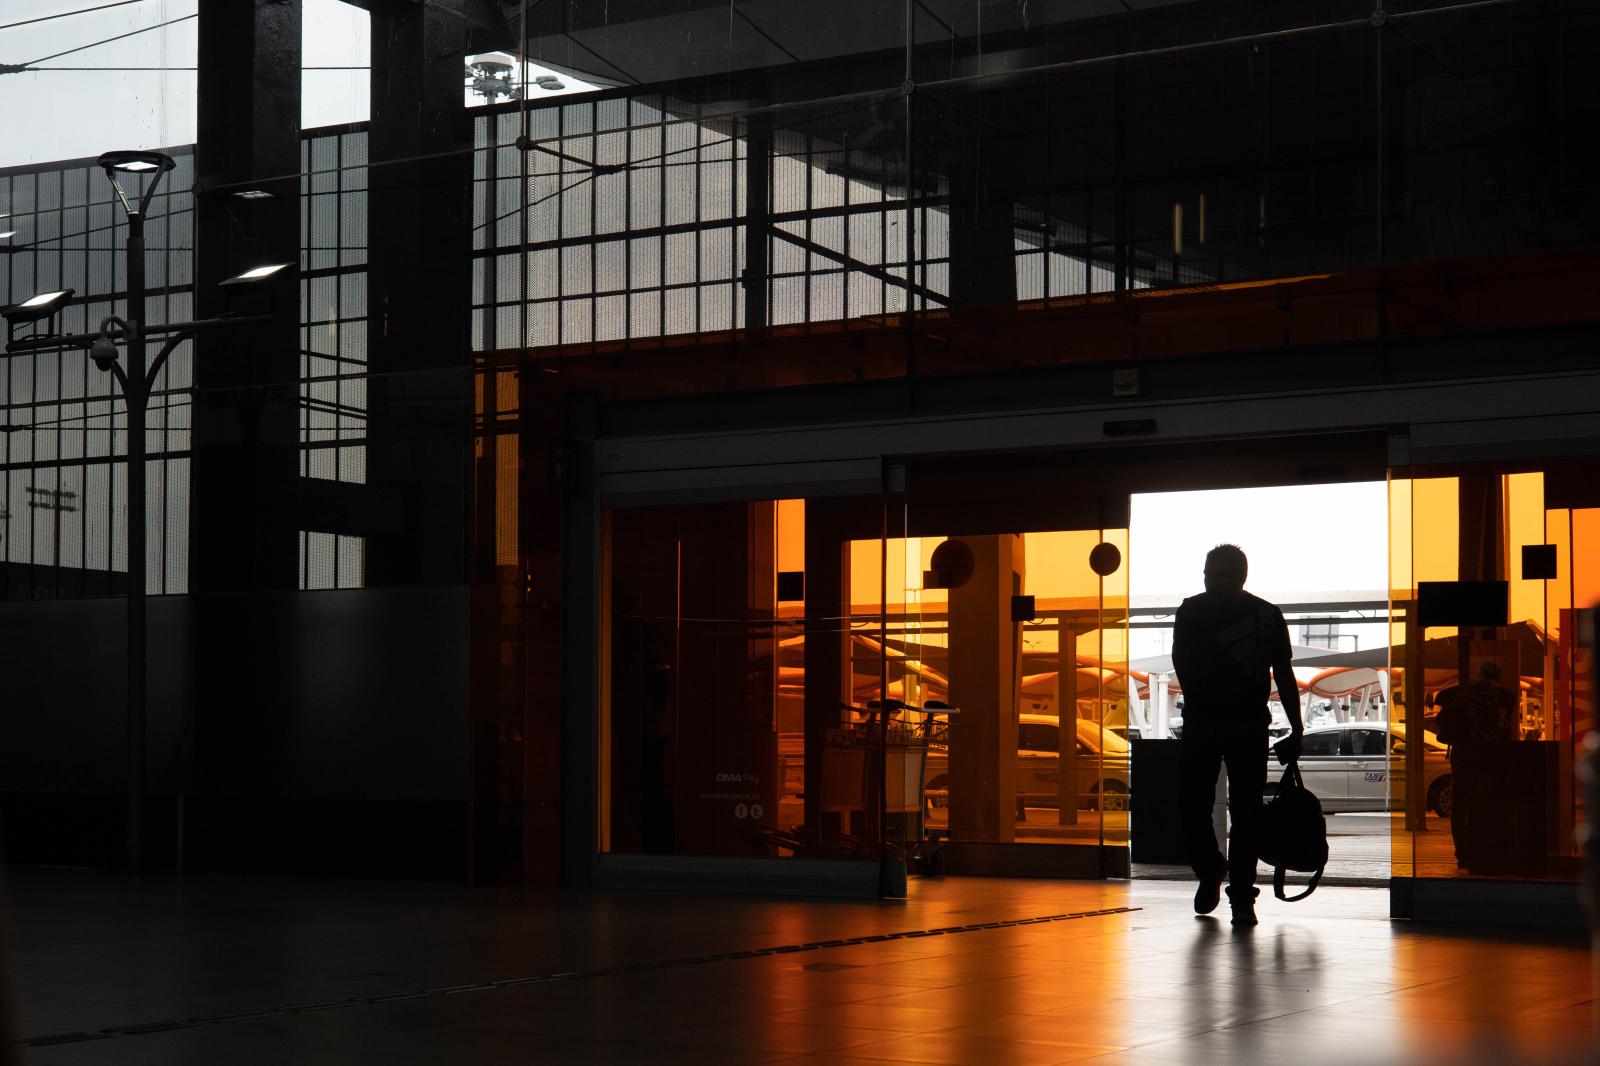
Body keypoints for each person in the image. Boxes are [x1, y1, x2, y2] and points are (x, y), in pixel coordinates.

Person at [1172, 544, 1303, 927]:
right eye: (1210, 574)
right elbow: (1282, 674)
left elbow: (1284, 674)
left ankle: (1235, 890)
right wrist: (1295, 727)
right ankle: (1224, 880)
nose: (1213, 581)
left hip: (1216, 722)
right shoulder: (1264, 615)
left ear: (1240, 575)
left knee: (1228, 809)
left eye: (1220, 574)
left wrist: (1296, 726)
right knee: (1225, 810)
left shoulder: (1197, 612)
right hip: (1240, 723)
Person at [1432, 660, 1518, 870]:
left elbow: (1439, 699)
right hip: (1492, 756)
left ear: (1480, 673)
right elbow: (1506, 730)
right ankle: (1489, 850)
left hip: (1463, 755)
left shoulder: (1461, 692)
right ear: (1498, 676)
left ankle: (1462, 853)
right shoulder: (1506, 697)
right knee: (1491, 803)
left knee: (1460, 804)